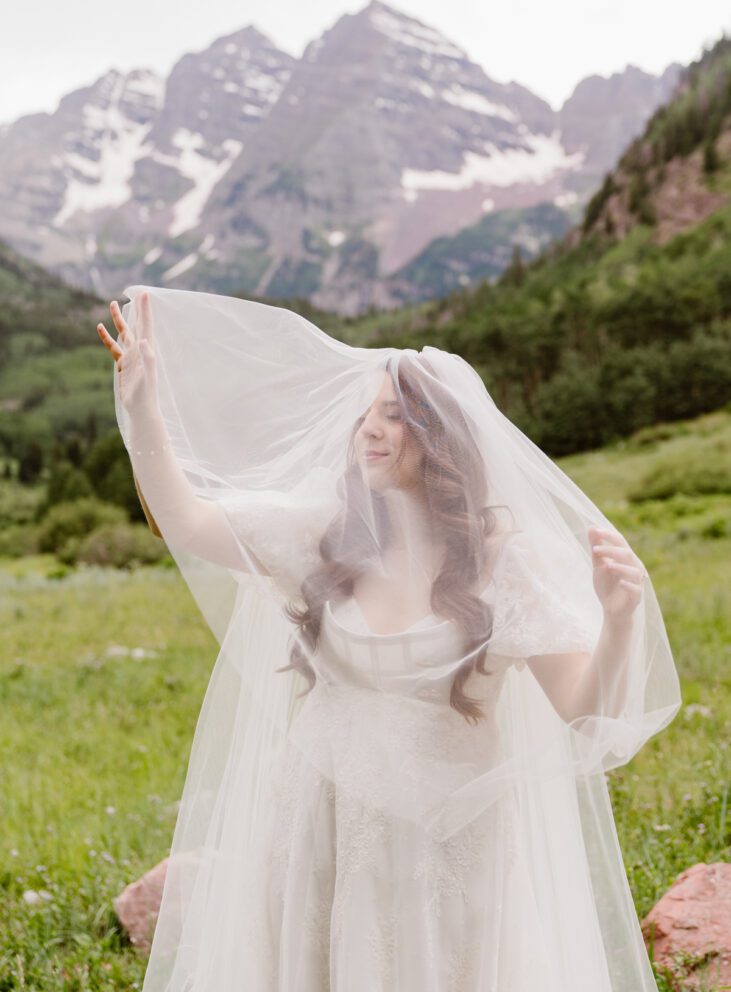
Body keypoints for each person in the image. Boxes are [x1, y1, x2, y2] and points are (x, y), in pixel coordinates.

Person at [97, 286, 681, 991]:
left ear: (443, 441)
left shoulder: (503, 562)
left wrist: (617, 619)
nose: (369, 430)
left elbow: (585, 713)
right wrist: (141, 409)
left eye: (396, 417)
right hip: (314, 820)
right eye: (365, 415)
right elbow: (186, 522)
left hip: (441, 848)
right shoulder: (322, 531)